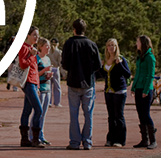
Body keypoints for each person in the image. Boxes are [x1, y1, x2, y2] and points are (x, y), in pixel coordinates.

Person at [61, 19, 101, 150]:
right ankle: (87, 141)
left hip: (73, 81)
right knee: (88, 113)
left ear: (74, 29)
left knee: (74, 114)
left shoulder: (68, 43)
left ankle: (75, 141)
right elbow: (98, 65)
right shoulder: (91, 44)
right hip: (88, 83)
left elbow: (64, 64)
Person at [97, 38, 131, 147]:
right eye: (109, 45)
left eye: (113, 45)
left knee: (119, 116)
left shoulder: (120, 59)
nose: (111, 47)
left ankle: (120, 140)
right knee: (111, 116)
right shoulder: (106, 60)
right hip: (108, 91)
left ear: (116, 47)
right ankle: (110, 139)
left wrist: (119, 65)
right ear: (107, 47)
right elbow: (101, 75)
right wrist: (99, 67)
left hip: (119, 91)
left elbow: (128, 74)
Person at [18, 26, 45, 148]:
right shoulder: (24, 48)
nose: (36, 37)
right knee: (38, 110)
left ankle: (25, 140)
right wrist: (30, 55)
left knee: (27, 111)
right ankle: (35, 139)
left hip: (33, 83)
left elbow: (34, 69)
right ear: (28, 35)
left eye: (37, 35)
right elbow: (23, 64)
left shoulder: (32, 48)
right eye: (34, 34)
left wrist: (38, 85)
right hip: (28, 83)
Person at [131, 35, 157, 149]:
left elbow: (150, 75)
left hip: (146, 89)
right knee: (140, 114)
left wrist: (146, 90)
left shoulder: (150, 57)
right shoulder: (139, 57)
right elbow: (138, 73)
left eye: (138, 42)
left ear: (143, 43)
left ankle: (153, 140)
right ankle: (144, 140)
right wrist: (133, 87)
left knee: (146, 114)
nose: (136, 43)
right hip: (138, 88)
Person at [29, 37, 53, 146]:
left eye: (49, 46)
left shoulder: (48, 59)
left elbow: (46, 73)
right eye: (46, 46)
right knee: (37, 113)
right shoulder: (36, 58)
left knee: (44, 114)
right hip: (39, 89)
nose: (48, 48)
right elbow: (35, 74)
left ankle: (41, 135)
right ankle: (31, 135)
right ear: (41, 47)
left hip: (47, 88)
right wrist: (44, 70)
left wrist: (49, 75)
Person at [48, 38, 62, 107]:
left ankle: (49, 102)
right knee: (57, 87)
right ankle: (57, 102)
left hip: (48, 69)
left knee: (49, 86)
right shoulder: (59, 52)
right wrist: (63, 73)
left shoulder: (48, 51)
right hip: (56, 69)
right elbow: (60, 63)